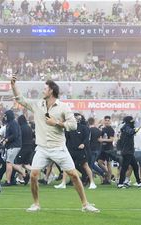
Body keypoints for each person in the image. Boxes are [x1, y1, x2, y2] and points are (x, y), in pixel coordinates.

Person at [11, 76, 99, 213]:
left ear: (51, 91)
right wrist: (13, 85)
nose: (42, 91)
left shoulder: (63, 107)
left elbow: (73, 125)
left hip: (59, 148)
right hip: (42, 148)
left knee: (74, 175)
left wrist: (57, 123)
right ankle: (36, 204)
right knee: (34, 175)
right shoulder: (37, 104)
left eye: (45, 88)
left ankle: (85, 204)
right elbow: (20, 99)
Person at [117, 116, 141, 189]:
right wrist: (139, 126)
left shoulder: (125, 127)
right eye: (132, 121)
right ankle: (120, 183)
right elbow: (132, 132)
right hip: (127, 152)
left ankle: (139, 183)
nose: (133, 122)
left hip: (129, 151)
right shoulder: (126, 127)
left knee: (135, 167)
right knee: (124, 167)